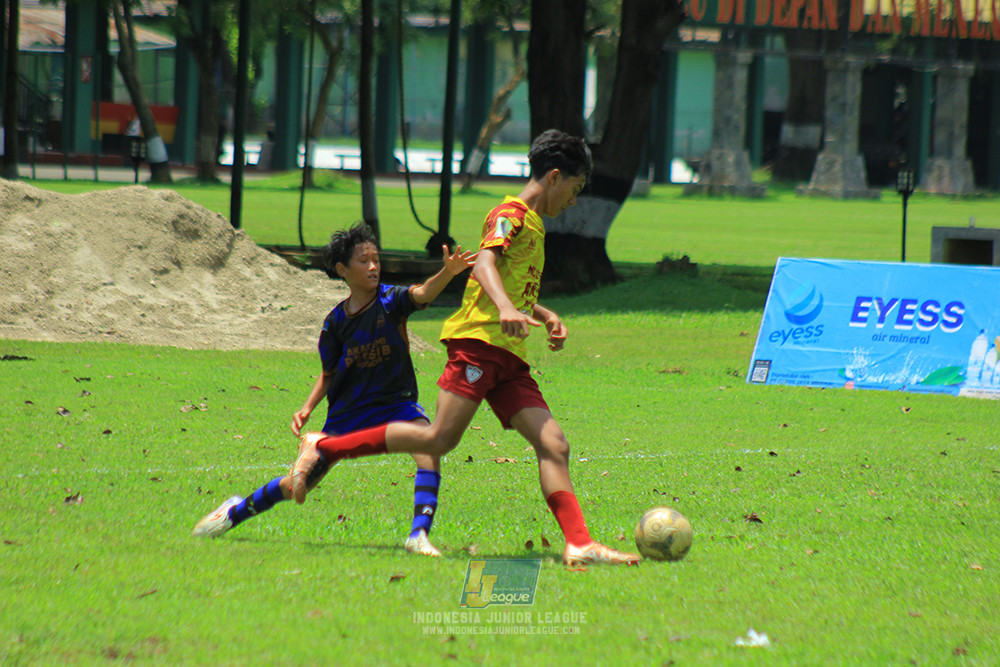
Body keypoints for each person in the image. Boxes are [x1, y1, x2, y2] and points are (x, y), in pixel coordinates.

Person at [290, 129, 640, 566]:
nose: (574, 199)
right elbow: (488, 262)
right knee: (437, 439)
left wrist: (540, 312)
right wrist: (508, 307)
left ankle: (579, 543)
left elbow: (489, 273)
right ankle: (326, 446)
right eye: (575, 188)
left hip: (509, 357)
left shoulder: (532, 225)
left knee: (555, 445)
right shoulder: (508, 214)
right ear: (554, 177)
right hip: (477, 345)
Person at [192, 222, 476, 557]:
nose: (373, 267)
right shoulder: (335, 322)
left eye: (376, 259)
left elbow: (422, 294)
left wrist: (448, 272)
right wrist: (307, 407)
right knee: (298, 488)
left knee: (429, 453)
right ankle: (233, 512)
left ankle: (418, 535)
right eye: (363, 261)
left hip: (396, 405)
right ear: (342, 269)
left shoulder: (391, 301)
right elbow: (328, 374)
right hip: (348, 414)